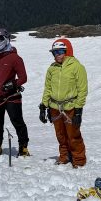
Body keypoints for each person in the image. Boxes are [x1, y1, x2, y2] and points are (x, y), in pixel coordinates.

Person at [39, 38, 88, 167]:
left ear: (67, 51)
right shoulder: (52, 69)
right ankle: (64, 156)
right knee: (60, 135)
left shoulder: (77, 67)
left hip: (70, 107)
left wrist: (78, 110)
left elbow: (82, 90)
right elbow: (48, 88)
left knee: (73, 135)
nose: (57, 55)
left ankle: (78, 159)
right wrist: (44, 106)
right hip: (55, 106)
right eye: (54, 53)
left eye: (60, 52)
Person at [0, 27, 29, 156]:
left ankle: (23, 147)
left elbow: (23, 77)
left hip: (11, 96)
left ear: (6, 39)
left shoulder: (15, 58)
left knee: (17, 121)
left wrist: (12, 84)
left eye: (0, 39)